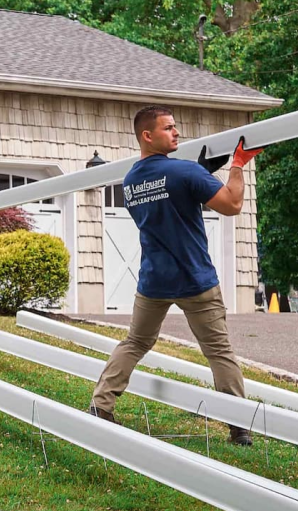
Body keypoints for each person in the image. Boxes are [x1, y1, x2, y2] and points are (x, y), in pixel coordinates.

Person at [88, 105, 262, 446]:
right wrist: (238, 164)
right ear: (147, 135)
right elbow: (232, 205)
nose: (176, 132)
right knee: (218, 351)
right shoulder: (184, 173)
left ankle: (100, 406)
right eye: (168, 128)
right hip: (195, 279)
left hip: (154, 280)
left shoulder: (131, 181)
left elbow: (170, 198)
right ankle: (239, 427)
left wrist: (201, 174)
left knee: (135, 343)